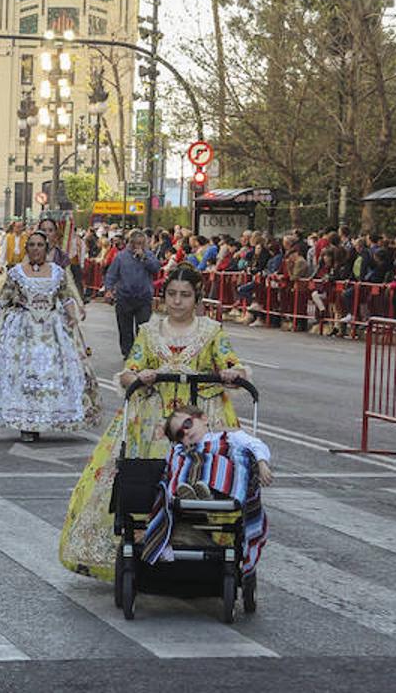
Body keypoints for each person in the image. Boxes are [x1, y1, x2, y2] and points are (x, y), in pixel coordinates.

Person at [59, 262, 249, 581]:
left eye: (185, 295)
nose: (177, 301)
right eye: (172, 294)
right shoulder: (148, 331)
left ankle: (200, 543)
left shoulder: (212, 331)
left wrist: (233, 373)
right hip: (152, 421)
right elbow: (129, 369)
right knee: (145, 480)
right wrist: (139, 376)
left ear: (197, 298)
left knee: (200, 481)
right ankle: (147, 539)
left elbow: (233, 364)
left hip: (198, 420)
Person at [0, 232, 99, 442]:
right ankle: (27, 423)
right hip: (22, 328)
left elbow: (65, 297)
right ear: (27, 249)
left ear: (47, 248)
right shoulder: (16, 273)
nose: (36, 249)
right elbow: (2, 299)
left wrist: (72, 317)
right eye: (32, 245)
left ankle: (50, 417)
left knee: (52, 373)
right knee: (25, 375)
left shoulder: (57, 272)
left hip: (52, 328)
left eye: (40, 245)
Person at [141, 406, 271, 575]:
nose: (185, 433)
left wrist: (262, 462)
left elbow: (254, 444)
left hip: (225, 482)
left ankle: (205, 489)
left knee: (217, 457)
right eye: (179, 435)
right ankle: (190, 489)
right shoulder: (185, 448)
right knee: (183, 458)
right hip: (190, 479)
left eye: (188, 424)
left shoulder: (230, 436)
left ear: (203, 419)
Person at [103, 229, 161, 357]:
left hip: (143, 298)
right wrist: (108, 289)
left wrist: (144, 258)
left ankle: (141, 354)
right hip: (124, 297)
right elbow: (112, 274)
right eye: (136, 243)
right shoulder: (121, 257)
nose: (139, 246)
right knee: (125, 329)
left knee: (143, 329)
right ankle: (127, 353)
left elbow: (156, 268)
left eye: (142, 243)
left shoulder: (149, 255)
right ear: (130, 243)